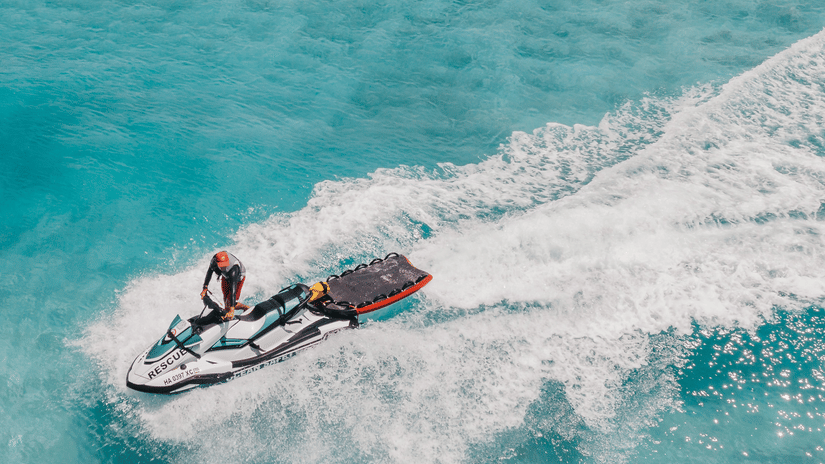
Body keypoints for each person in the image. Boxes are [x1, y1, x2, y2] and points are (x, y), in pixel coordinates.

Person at [200, 251, 247, 321]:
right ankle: (227, 313)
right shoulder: (214, 260)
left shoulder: (233, 269)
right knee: (226, 301)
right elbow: (209, 272)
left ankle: (246, 308)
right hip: (226, 276)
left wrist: (232, 310)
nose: (224, 267)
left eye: (225, 265)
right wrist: (205, 288)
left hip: (237, 278)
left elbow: (233, 290)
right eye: (222, 265)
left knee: (229, 302)